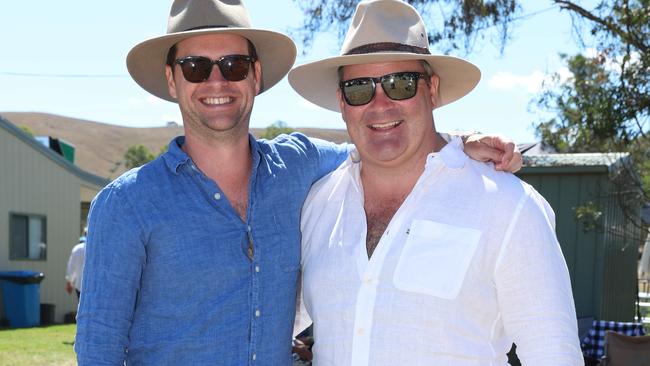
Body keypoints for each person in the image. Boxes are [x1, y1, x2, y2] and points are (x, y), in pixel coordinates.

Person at [75, 0, 522, 365]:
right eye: (195, 67)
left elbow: (384, 139)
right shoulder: (127, 204)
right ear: (172, 80)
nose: (216, 80)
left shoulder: (300, 166)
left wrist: (459, 143)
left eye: (233, 64)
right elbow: (98, 350)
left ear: (256, 75)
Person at [291, 0, 584, 365]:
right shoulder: (318, 204)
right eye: (359, 88)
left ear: (431, 90)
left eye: (400, 84)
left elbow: (553, 353)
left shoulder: (509, 205)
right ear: (342, 102)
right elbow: (272, 321)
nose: (380, 104)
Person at [65, 229, 86, 299]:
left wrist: (70, 282)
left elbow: (71, 267)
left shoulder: (77, 249)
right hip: (92, 286)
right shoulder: (95, 248)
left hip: (79, 284)